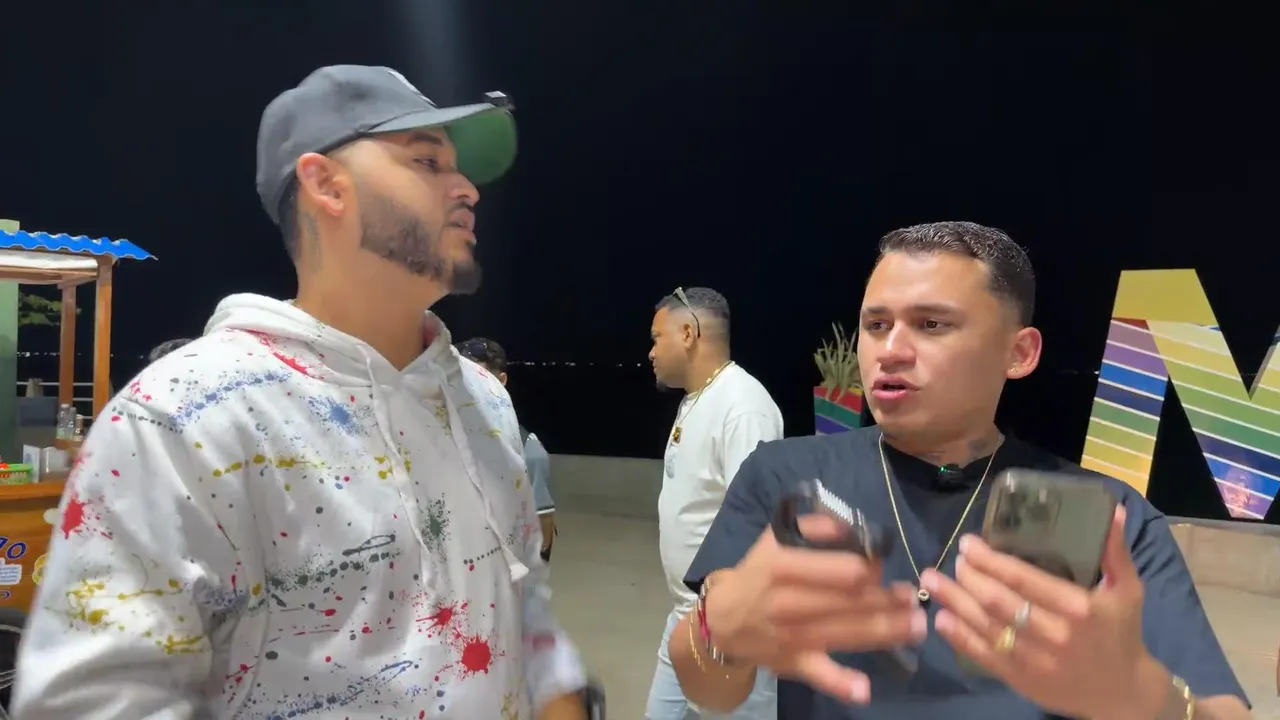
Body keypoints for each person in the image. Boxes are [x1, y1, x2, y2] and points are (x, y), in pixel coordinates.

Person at [13, 64, 589, 720]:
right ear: (326, 185)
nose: (467, 189)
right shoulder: (180, 420)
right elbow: (94, 703)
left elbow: (524, 602)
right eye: (427, 161)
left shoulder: (482, 400)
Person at [669, 222, 1251, 719]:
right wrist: (718, 628)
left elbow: (1224, 709)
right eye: (876, 325)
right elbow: (712, 692)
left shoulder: (1114, 520)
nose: (890, 350)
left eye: (931, 325)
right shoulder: (785, 478)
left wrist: (1145, 697)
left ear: (1019, 353)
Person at [647, 287, 783, 719]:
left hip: (730, 629)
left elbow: (757, 523)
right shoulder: (698, 399)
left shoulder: (743, 407)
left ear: (688, 334)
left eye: (657, 338)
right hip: (685, 616)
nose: (651, 352)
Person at [457, 336, 559, 563]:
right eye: (460, 378)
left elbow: (544, 538)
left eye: (479, 377)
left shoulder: (529, 450)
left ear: (501, 380)